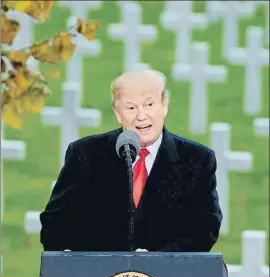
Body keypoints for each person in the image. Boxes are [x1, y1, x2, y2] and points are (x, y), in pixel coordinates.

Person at [39, 69, 223, 252]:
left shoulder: (197, 159)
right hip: (99, 276)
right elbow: (55, 223)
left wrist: (156, 259)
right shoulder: (85, 154)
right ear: (118, 113)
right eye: (131, 108)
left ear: (164, 105)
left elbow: (205, 228)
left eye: (149, 105)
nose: (141, 116)